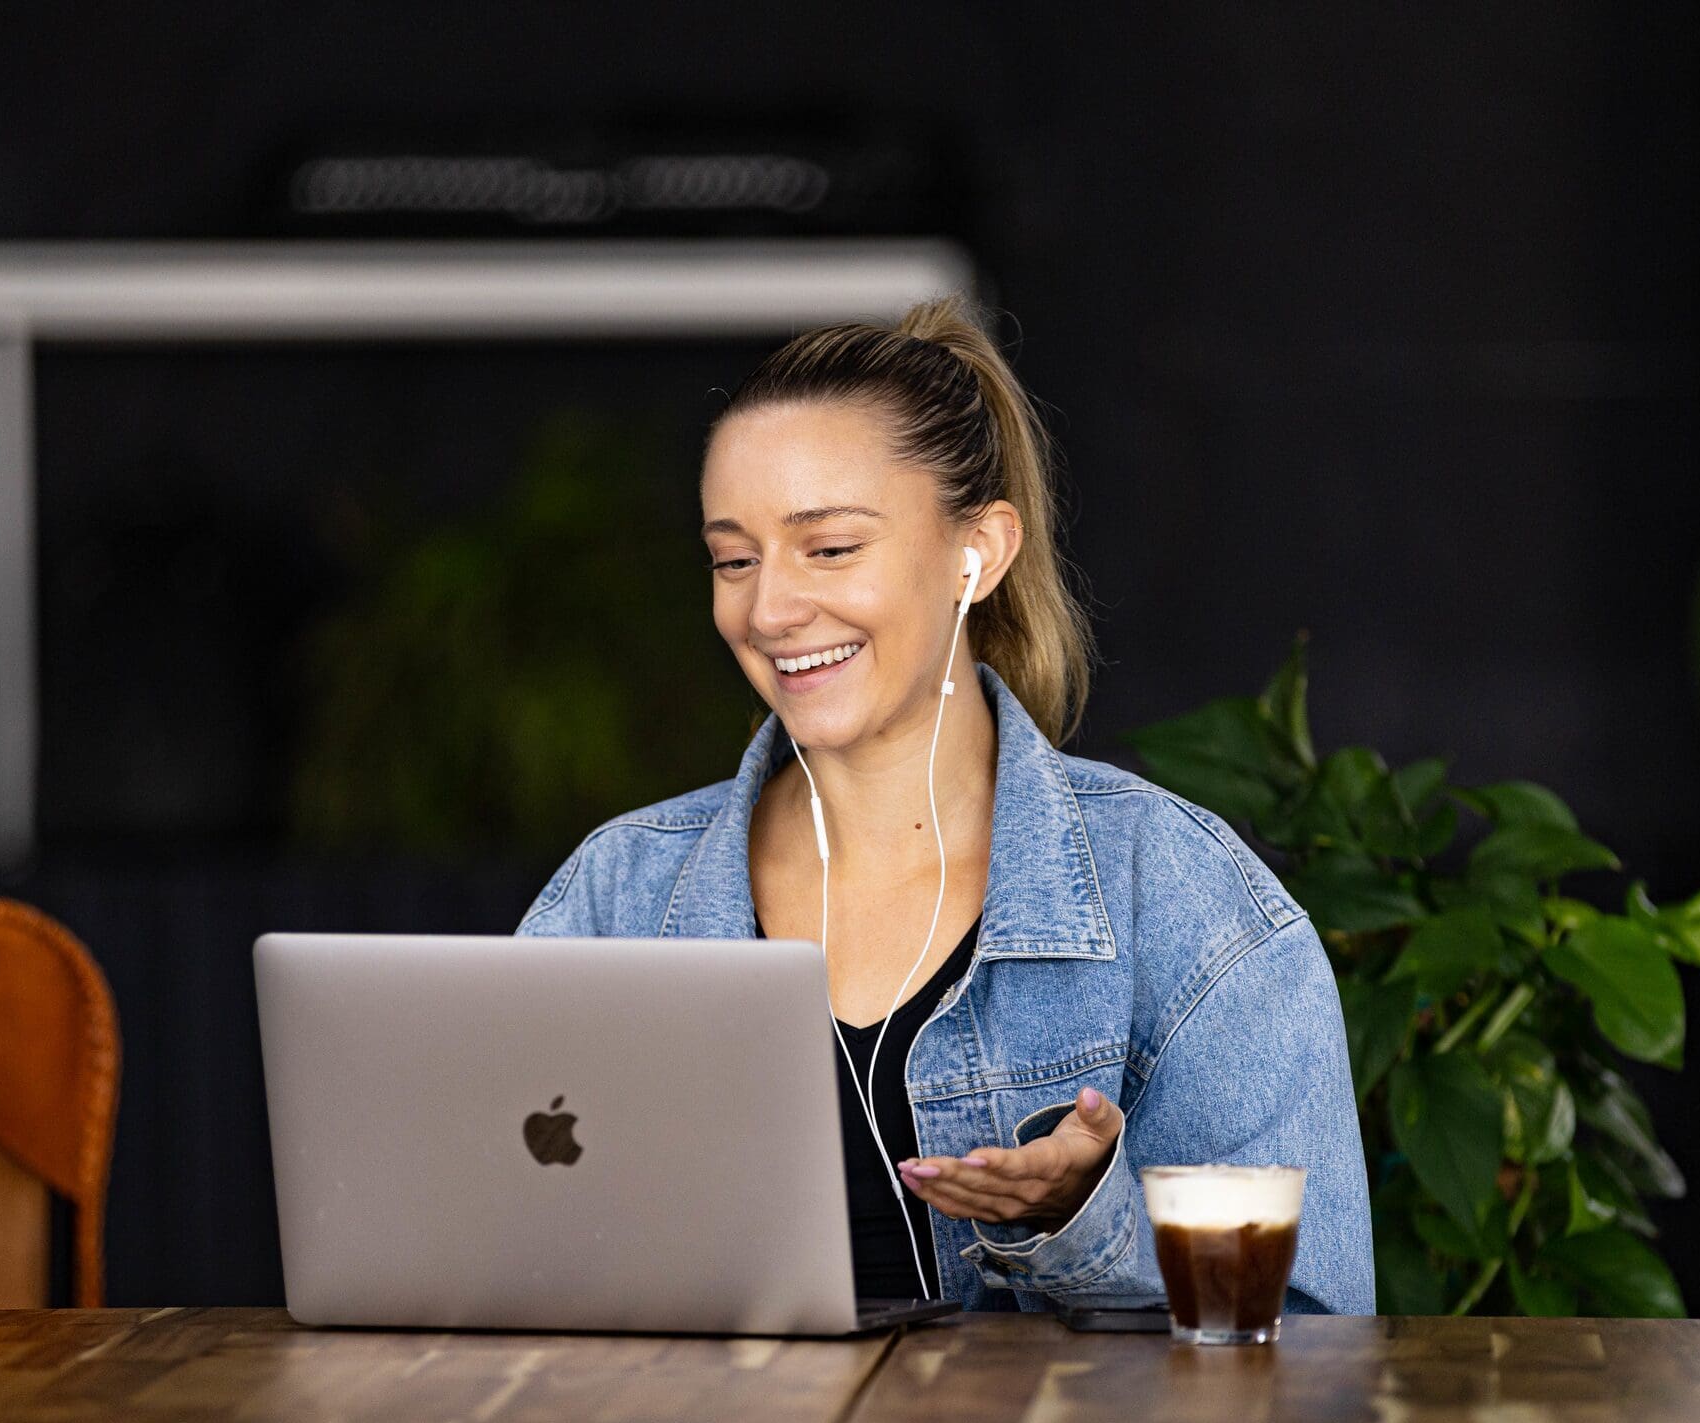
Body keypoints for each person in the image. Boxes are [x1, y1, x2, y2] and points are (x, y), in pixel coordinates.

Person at [517, 298, 1372, 1314]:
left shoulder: (1186, 903)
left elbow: (1310, 1343)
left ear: (978, 555)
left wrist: (1079, 1221)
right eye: (734, 559)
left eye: (828, 548)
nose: (768, 609)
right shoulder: (617, 893)